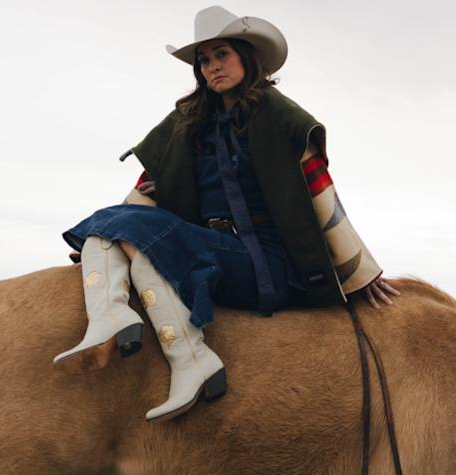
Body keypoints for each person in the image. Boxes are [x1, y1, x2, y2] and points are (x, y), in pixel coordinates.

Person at [54, 6, 400, 422]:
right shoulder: (188, 122)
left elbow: (321, 194)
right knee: (112, 225)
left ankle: (144, 332)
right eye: (204, 60)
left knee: (118, 225)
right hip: (206, 246)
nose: (212, 66)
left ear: (246, 57)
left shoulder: (281, 117)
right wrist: (106, 244)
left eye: (222, 54)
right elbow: (147, 190)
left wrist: (361, 273)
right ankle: (175, 352)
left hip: (262, 261)